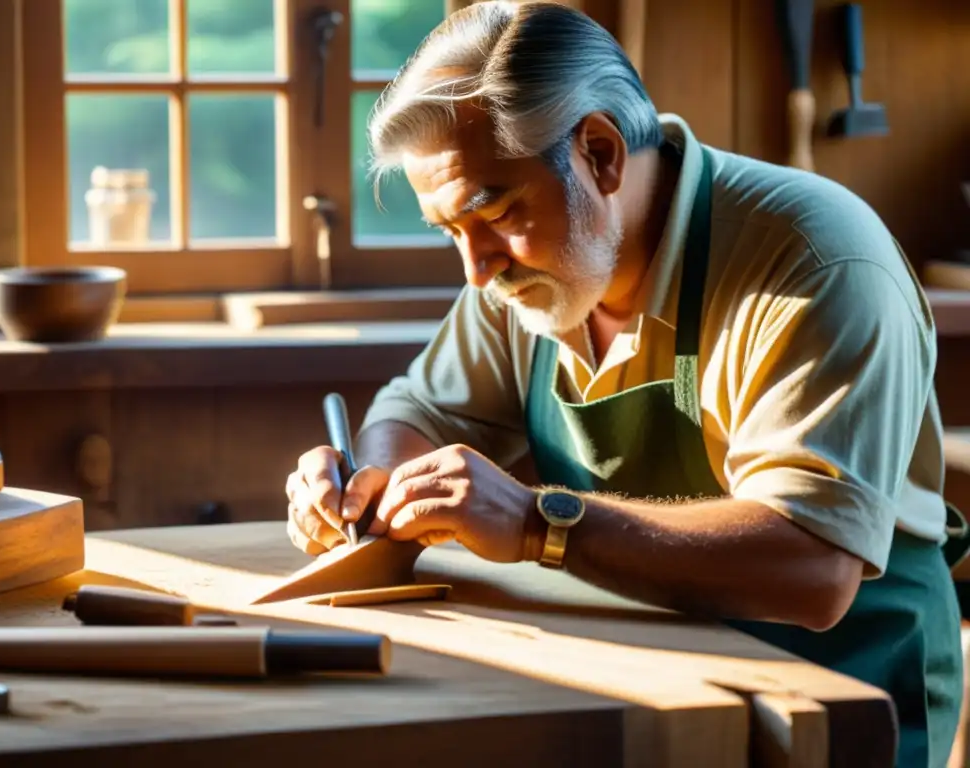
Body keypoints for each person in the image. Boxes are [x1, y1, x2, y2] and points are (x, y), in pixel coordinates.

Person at [284, 2, 964, 765]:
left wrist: (542, 524)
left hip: (840, 698)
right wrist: (375, 481)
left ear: (601, 154)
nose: (475, 270)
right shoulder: (535, 272)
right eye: (450, 232)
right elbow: (422, 409)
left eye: (497, 212)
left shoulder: (814, 264)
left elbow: (811, 567)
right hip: (647, 677)